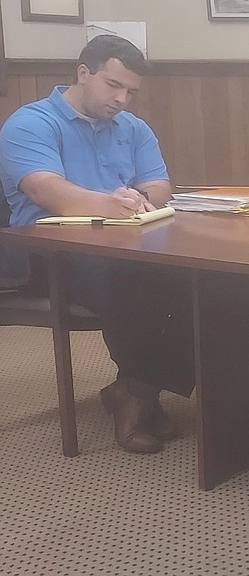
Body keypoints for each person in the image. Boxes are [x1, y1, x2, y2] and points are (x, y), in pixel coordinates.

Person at [0, 35, 193, 454]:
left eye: (131, 91)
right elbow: (46, 191)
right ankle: (142, 393)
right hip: (51, 251)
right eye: (113, 85)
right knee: (134, 280)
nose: (122, 99)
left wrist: (141, 199)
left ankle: (138, 389)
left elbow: (159, 184)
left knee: (203, 279)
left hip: (127, 239)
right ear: (83, 73)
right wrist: (109, 203)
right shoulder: (30, 123)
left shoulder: (133, 128)